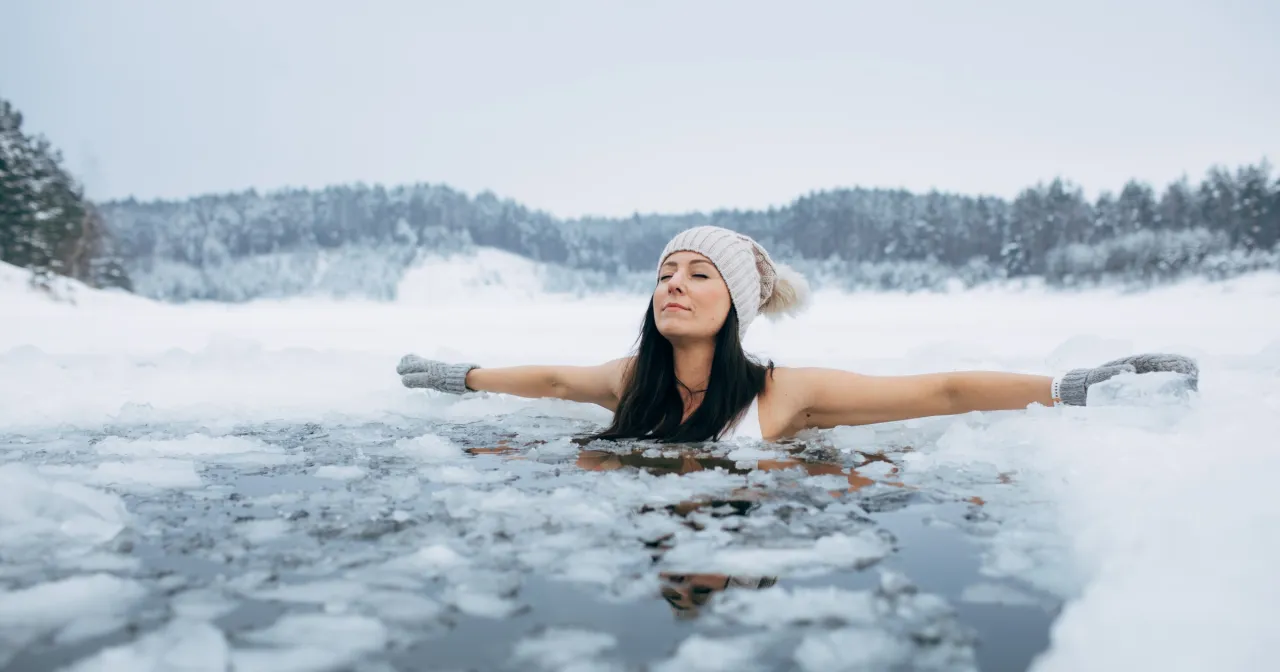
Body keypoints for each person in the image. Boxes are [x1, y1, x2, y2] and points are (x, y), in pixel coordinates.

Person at [397, 226, 1198, 443]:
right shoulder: (628, 380)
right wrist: (458, 375)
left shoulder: (785, 394)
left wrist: (1068, 387)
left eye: (698, 274)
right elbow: (550, 381)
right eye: (665, 272)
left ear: (736, 305)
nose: (673, 283)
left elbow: (939, 391)